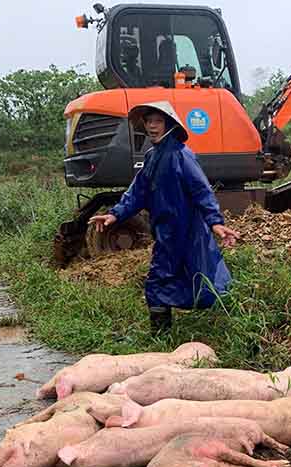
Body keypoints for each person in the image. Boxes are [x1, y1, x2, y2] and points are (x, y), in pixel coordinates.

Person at [89, 101, 240, 332]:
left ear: (168, 124)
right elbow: (137, 192)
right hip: (165, 233)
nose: (152, 126)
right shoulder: (152, 156)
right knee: (158, 281)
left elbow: (201, 190)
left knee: (204, 281)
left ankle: (231, 321)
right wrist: (114, 215)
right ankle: (161, 335)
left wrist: (215, 222)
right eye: (149, 121)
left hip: (189, 231)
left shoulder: (182, 155)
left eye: (158, 121)